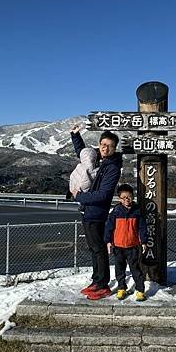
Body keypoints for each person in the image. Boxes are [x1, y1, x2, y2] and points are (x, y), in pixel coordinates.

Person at [71, 126, 122, 300]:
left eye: (109, 145)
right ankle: (96, 280)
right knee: (94, 249)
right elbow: (84, 154)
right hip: (88, 211)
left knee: (99, 249)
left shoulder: (112, 168)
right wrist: (75, 135)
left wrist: (81, 197)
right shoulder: (100, 159)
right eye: (103, 144)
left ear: (115, 148)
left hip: (96, 212)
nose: (105, 148)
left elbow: (104, 194)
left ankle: (103, 285)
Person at [104, 183, 147, 302]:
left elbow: (142, 227)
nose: (126, 199)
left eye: (129, 196)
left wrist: (143, 241)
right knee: (120, 269)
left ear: (132, 196)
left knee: (136, 269)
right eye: (123, 197)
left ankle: (140, 290)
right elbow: (109, 227)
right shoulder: (116, 211)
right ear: (119, 199)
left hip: (133, 246)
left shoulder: (137, 210)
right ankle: (121, 287)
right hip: (118, 246)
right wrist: (108, 241)